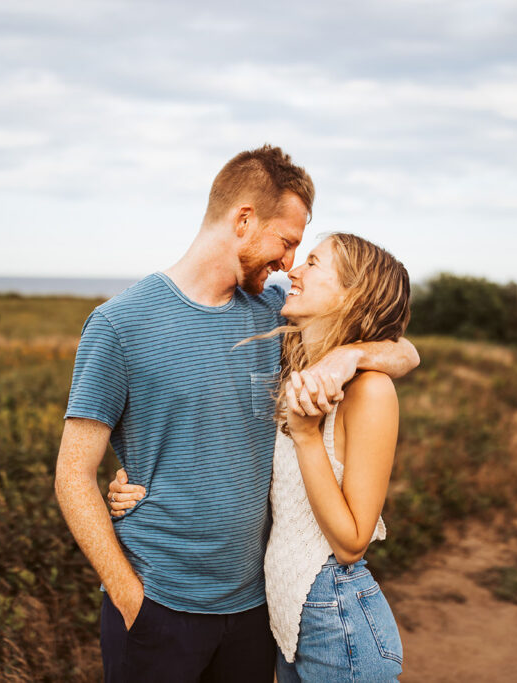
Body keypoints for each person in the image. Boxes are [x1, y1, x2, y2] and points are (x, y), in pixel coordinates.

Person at [55, 145, 419, 683]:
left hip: (255, 613)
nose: (290, 264)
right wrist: (133, 602)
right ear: (244, 220)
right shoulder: (119, 325)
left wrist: (350, 356)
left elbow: (404, 350)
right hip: (158, 607)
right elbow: (72, 475)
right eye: (287, 242)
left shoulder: (276, 312)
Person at [111, 233, 411, 681]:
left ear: (352, 293)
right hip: (287, 619)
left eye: (312, 262)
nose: (293, 270)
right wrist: (140, 478)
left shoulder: (370, 390)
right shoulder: (296, 365)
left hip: (337, 617)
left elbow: (351, 544)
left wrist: (309, 434)